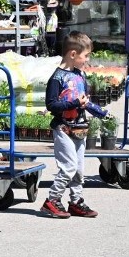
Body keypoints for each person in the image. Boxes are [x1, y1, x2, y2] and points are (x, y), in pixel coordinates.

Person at [40, 31, 109, 218]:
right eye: (85, 56)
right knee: (69, 167)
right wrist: (75, 103)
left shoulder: (79, 74)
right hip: (63, 128)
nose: (87, 60)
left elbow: (83, 100)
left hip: (80, 129)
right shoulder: (57, 78)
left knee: (79, 169)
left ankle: (76, 201)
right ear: (72, 54)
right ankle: (52, 201)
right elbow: (52, 105)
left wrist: (95, 109)